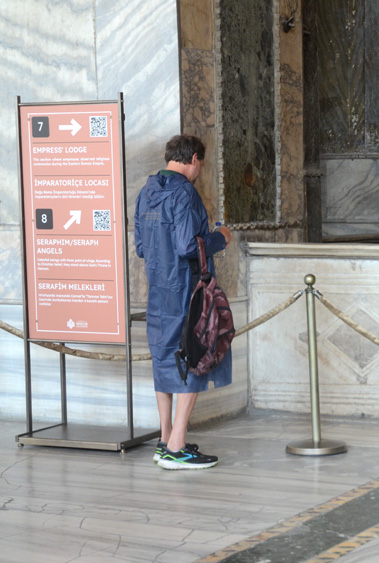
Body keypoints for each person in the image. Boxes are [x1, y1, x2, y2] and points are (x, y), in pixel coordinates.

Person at [135, 134, 232, 470]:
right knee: (194, 356)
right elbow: (188, 246)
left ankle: (164, 440)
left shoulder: (147, 191)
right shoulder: (185, 192)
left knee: (163, 359)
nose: (198, 171)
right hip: (187, 291)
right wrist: (221, 237)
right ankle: (177, 447)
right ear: (193, 159)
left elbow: (142, 247)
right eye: (200, 165)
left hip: (157, 290)